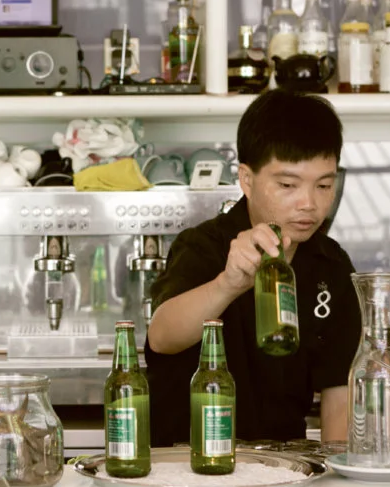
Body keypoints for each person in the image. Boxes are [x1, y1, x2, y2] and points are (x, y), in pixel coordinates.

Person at [145, 89, 361, 445]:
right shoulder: (203, 246)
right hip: (187, 459)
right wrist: (227, 284)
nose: (309, 203)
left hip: (283, 462)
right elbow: (161, 337)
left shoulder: (332, 266)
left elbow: (339, 394)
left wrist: (336, 470)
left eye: (324, 185)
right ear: (246, 180)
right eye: (288, 185)